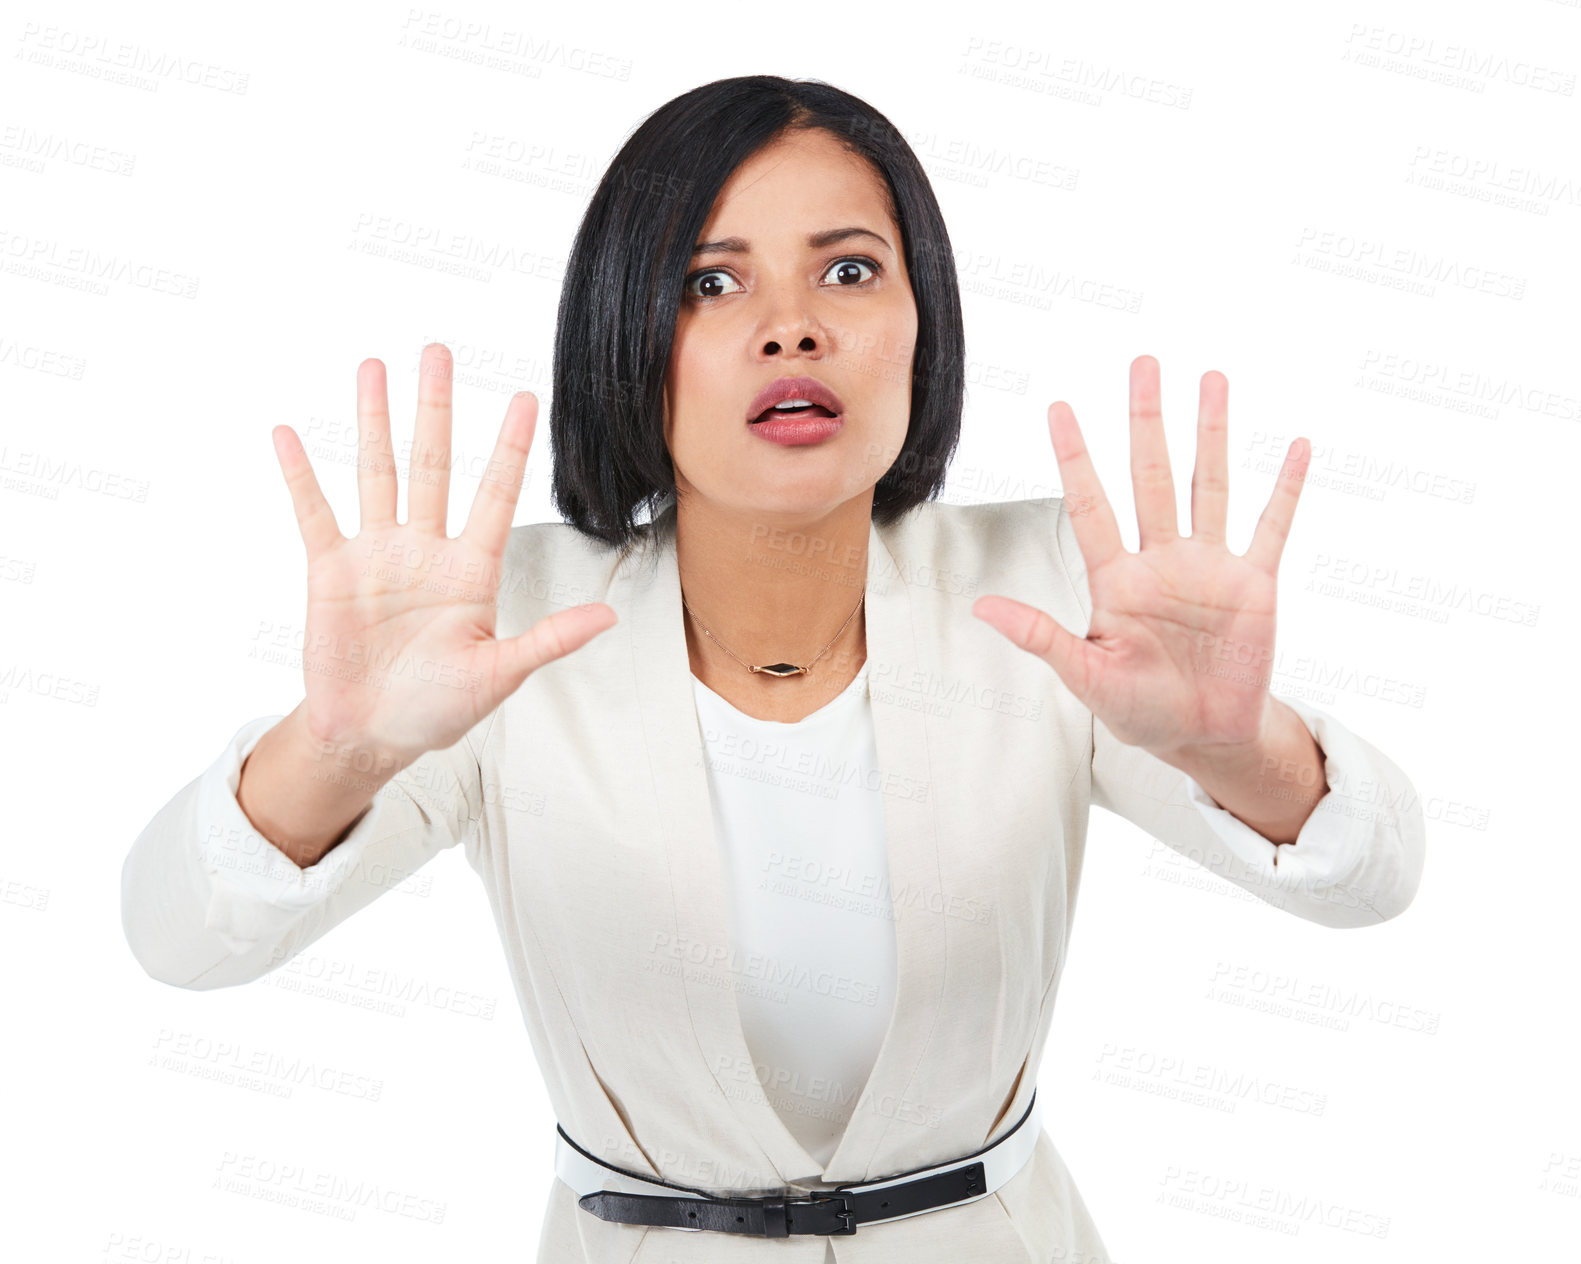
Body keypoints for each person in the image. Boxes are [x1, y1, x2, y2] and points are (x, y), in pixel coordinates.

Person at [121, 76, 1426, 1263]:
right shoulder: (495, 624)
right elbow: (179, 943)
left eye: (849, 273)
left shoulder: (1050, 592)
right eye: (711, 282)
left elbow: (1373, 883)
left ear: (923, 324)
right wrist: (337, 749)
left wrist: (1234, 748)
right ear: (628, 333)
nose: (790, 328)